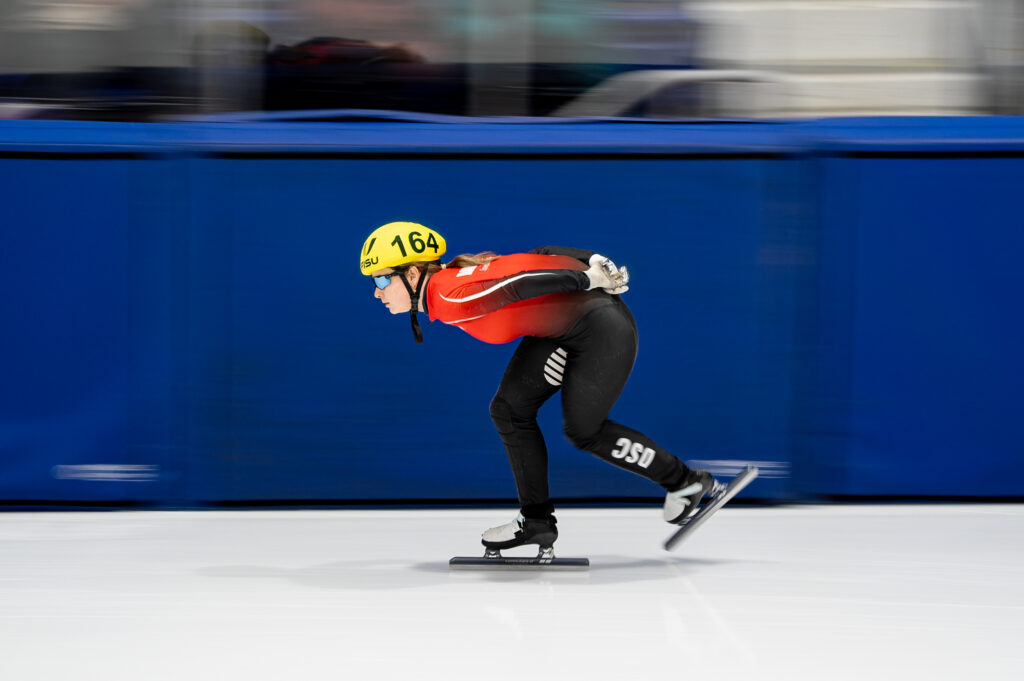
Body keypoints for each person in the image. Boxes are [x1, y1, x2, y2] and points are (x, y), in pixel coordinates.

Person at [360, 221, 722, 553]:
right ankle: (536, 522)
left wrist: (588, 279)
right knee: (509, 410)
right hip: (565, 328)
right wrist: (593, 259)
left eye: (380, 281)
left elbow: (515, 286)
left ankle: (685, 482)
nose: (377, 293)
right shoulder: (453, 278)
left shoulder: (449, 297)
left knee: (585, 430)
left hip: (601, 330)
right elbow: (542, 254)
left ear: (411, 273)